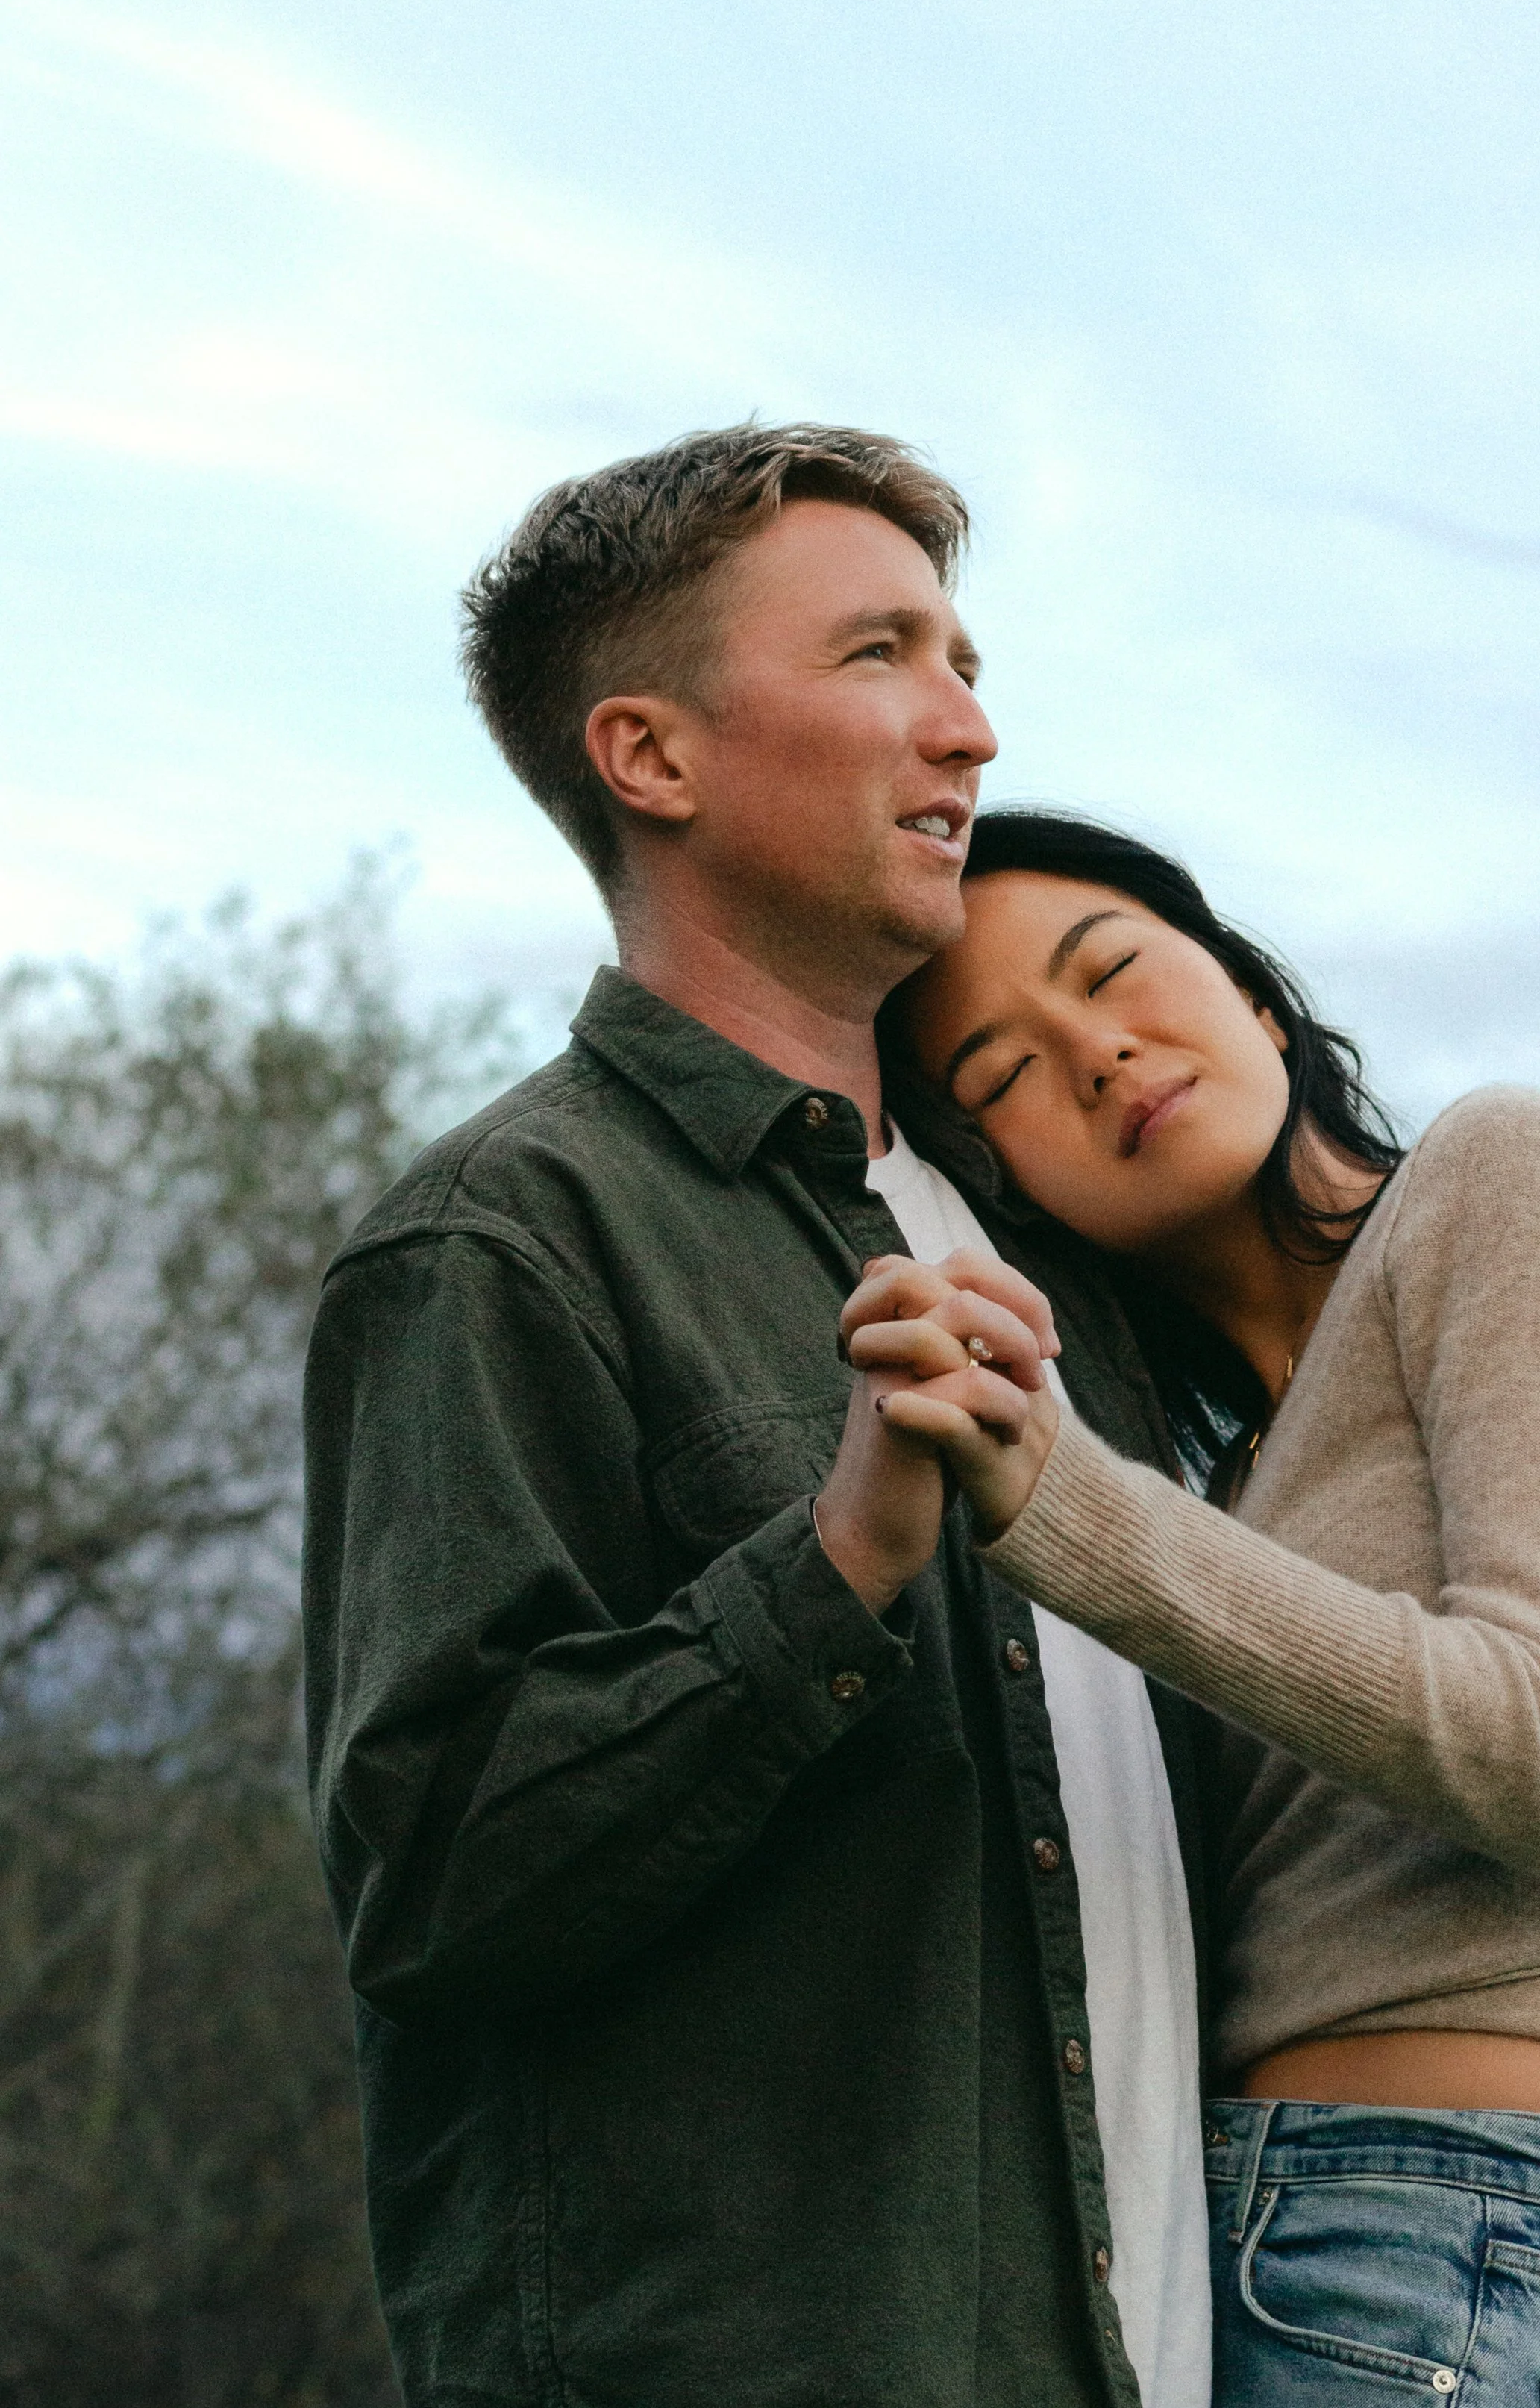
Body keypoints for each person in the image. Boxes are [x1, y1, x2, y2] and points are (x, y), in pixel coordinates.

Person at [300, 428, 1215, 2408]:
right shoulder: (499, 1242)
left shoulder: (1069, 1261)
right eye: (881, 653)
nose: (968, 728)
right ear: (652, 756)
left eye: (962, 660)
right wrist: (834, 1563)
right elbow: (428, 1885)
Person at [839, 809, 1540, 2408]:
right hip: (1262, 2236)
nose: (1097, 1054)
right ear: (1013, 1189)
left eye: (1110, 972)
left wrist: (1061, 1501)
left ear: (1255, 999)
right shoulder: (1223, 1483)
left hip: (1416, 2242)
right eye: (1003, 1073)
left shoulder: (1494, 1173)